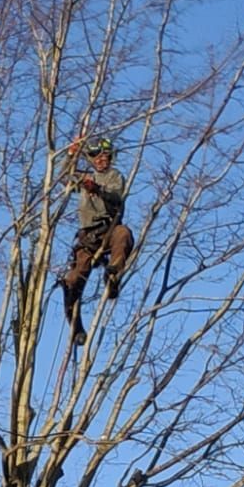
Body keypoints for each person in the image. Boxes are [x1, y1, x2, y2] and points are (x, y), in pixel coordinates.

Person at [60, 133, 134, 342]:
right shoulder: (85, 177)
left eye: (105, 157)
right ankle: (76, 328)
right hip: (87, 237)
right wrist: (71, 153)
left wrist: (97, 189)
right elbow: (64, 177)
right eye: (96, 157)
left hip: (109, 229)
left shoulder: (114, 177)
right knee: (73, 280)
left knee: (124, 234)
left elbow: (115, 196)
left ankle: (112, 276)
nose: (101, 160)